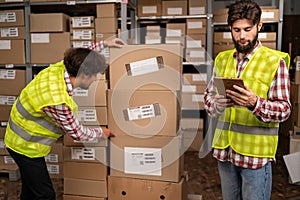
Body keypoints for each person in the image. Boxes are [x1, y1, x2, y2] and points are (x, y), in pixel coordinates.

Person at [4, 37, 126, 200]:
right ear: (84, 74)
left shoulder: (62, 67)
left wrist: (104, 44)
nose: (96, 79)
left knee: (30, 188)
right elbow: (78, 134)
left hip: (17, 136)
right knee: (45, 195)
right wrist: (101, 132)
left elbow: (80, 58)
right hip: (25, 147)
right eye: (94, 75)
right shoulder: (58, 100)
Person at [204, 1, 291, 199]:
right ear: (230, 29)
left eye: (247, 29)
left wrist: (255, 103)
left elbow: (284, 110)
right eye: (236, 30)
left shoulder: (275, 62)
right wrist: (216, 104)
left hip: (256, 157)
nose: (242, 36)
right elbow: (208, 99)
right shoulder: (222, 59)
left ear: (259, 26)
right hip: (225, 153)